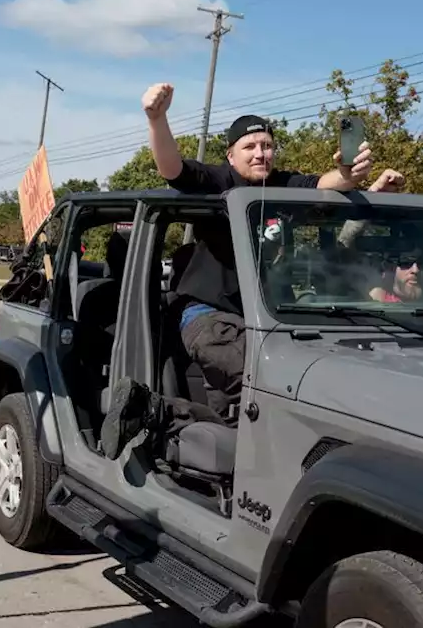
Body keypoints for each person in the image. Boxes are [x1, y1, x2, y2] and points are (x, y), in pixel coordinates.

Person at [141, 82, 403, 420]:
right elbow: (172, 169)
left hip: (265, 318)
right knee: (278, 383)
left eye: (267, 145)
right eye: (249, 146)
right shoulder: (219, 181)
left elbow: (323, 186)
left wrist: (347, 174)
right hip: (208, 314)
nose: (260, 153)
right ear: (230, 155)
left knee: (236, 412)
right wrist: (157, 119)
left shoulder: (281, 186)